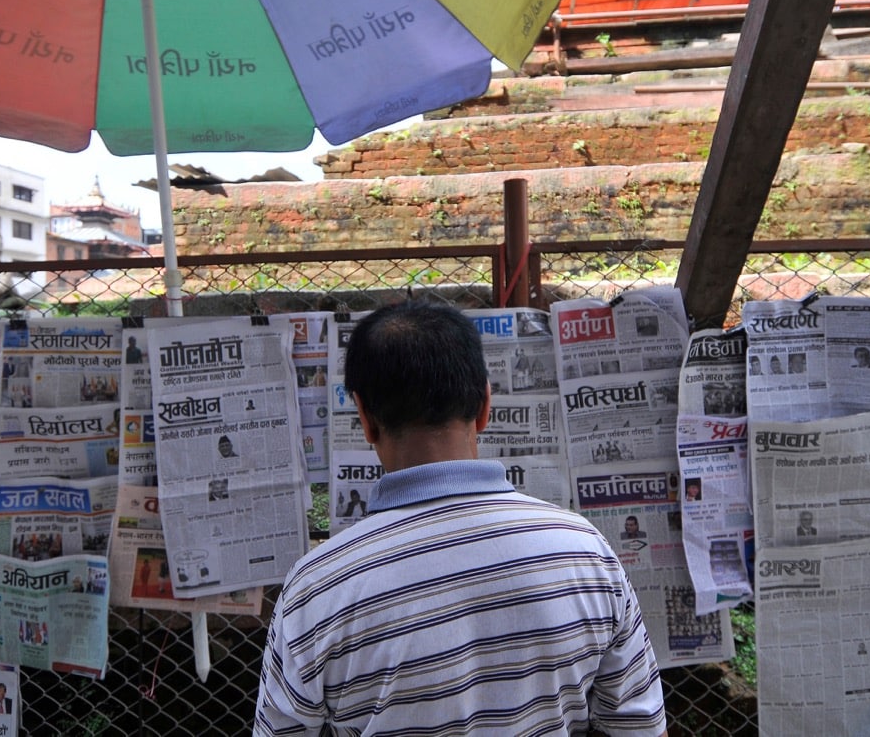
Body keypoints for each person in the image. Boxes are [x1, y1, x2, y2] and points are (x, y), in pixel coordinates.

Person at [255, 302, 667, 736]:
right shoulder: (586, 552)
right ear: (485, 404)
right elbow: (639, 726)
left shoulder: (316, 589)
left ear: (364, 418)